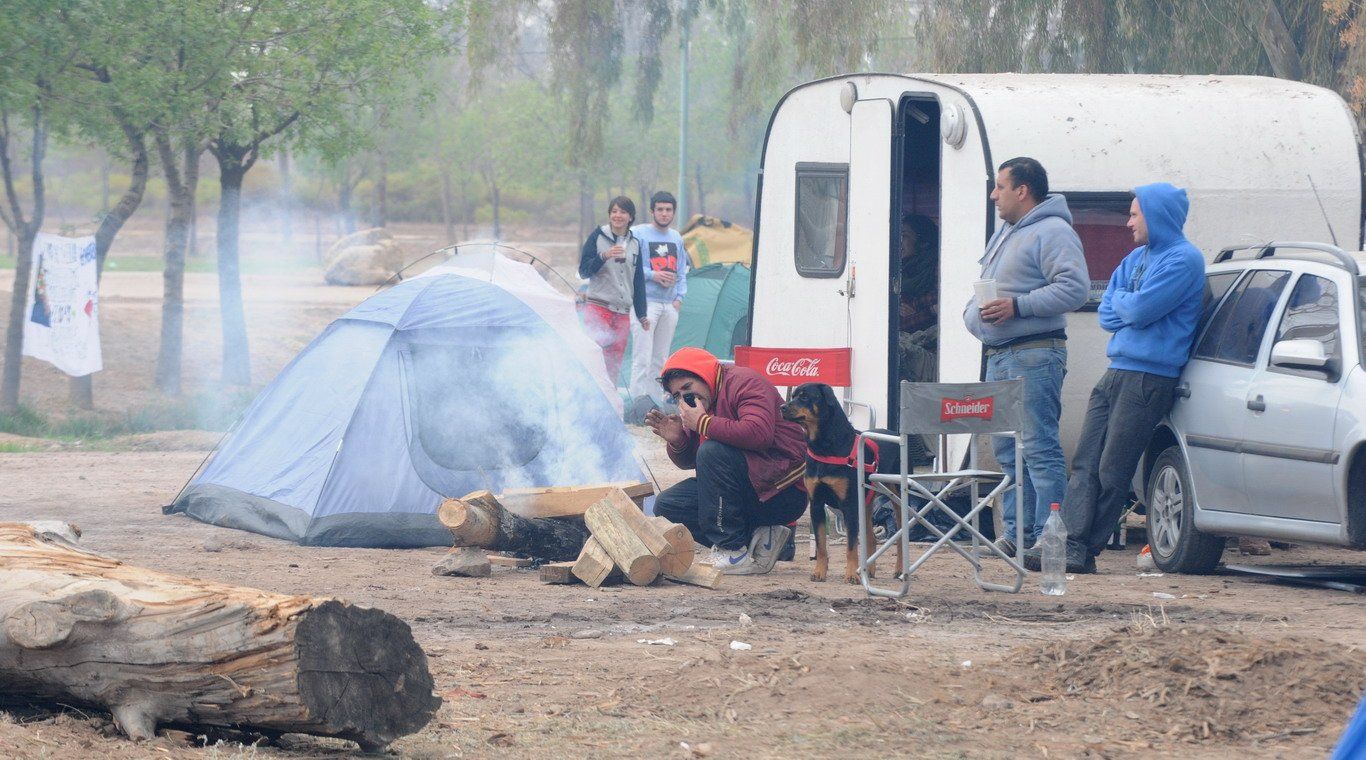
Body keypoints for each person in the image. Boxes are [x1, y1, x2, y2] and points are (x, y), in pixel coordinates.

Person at [1026, 182, 1205, 574]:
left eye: (1135, 214)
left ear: (1157, 216)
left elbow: (1137, 310)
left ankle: (1086, 549)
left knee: (1113, 468)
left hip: (1149, 376)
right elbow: (1108, 311)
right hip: (1117, 371)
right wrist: (1128, 305)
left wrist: (1125, 304)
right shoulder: (1137, 258)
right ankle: (1069, 543)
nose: (1128, 222)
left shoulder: (1184, 260)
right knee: (1086, 460)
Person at [962, 157, 1089, 554]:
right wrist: (973, 314)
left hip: (1033, 355)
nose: (993, 195)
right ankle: (1018, 536)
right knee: (1006, 449)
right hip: (1000, 355)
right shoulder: (1008, 232)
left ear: (1022, 190)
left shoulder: (1053, 231)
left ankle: (1051, 540)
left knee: (1038, 446)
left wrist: (1017, 307)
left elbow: (1075, 289)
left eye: (1000, 187)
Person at [645, 347, 807, 575]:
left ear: (703, 374)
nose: (685, 398)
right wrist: (679, 441)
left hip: (782, 491)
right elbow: (697, 460)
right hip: (749, 490)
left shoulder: (745, 382)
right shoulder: (703, 402)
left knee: (712, 451)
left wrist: (702, 423)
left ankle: (732, 551)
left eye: (687, 388)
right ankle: (761, 537)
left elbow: (759, 433)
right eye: (677, 396)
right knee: (667, 505)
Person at [579, 196, 649, 381]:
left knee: (615, 361)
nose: (618, 215)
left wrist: (642, 314)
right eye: (614, 211)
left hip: (623, 312)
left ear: (631, 217)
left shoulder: (634, 244)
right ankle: (589, 399)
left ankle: (610, 401)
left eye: (623, 212)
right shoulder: (597, 236)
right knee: (594, 357)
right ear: (609, 214)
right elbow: (584, 271)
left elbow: (638, 279)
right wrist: (603, 256)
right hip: (599, 308)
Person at [629, 191, 689, 406]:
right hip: (645, 303)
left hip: (669, 304)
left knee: (660, 359)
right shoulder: (639, 233)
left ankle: (654, 403)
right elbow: (630, 265)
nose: (664, 214)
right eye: (660, 209)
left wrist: (679, 298)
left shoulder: (676, 237)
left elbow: (682, 269)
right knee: (642, 357)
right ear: (652, 211)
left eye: (669, 210)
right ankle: (637, 403)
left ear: (673, 212)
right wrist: (654, 274)